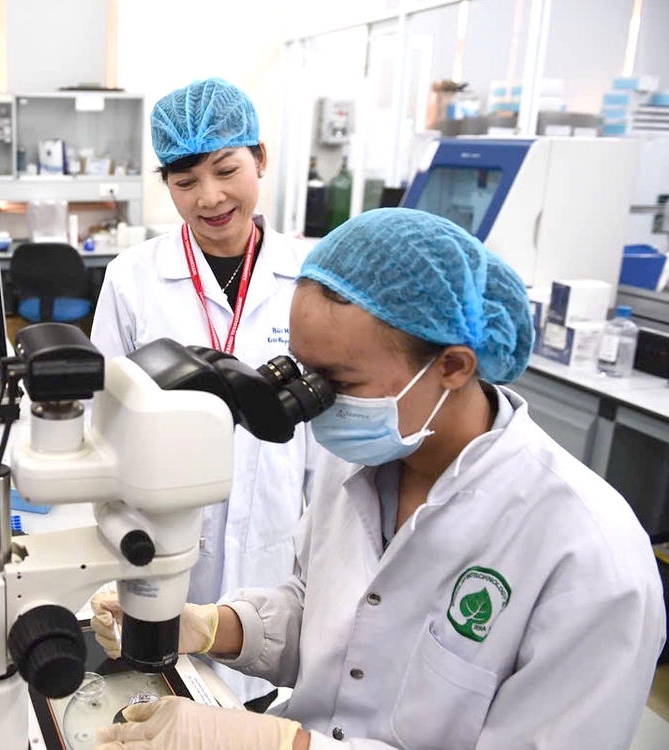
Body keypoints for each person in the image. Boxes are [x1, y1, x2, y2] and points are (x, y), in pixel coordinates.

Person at [92, 208, 665, 750]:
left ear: (452, 366)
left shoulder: (592, 560)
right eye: (303, 371)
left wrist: (280, 742)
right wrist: (213, 626)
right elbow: (326, 615)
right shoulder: (362, 457)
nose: (315, 403)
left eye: (339, 382)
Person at [90, 78, 313, 701]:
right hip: (159, 543)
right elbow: (101, 423)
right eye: (185, 182)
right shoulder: (133, 278)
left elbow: (329, 452)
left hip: (274, 550)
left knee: (257, 701)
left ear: (260, 158)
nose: (210, 197)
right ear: (166, 184)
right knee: (161, 701)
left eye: (226, 170)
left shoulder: (309, 280)